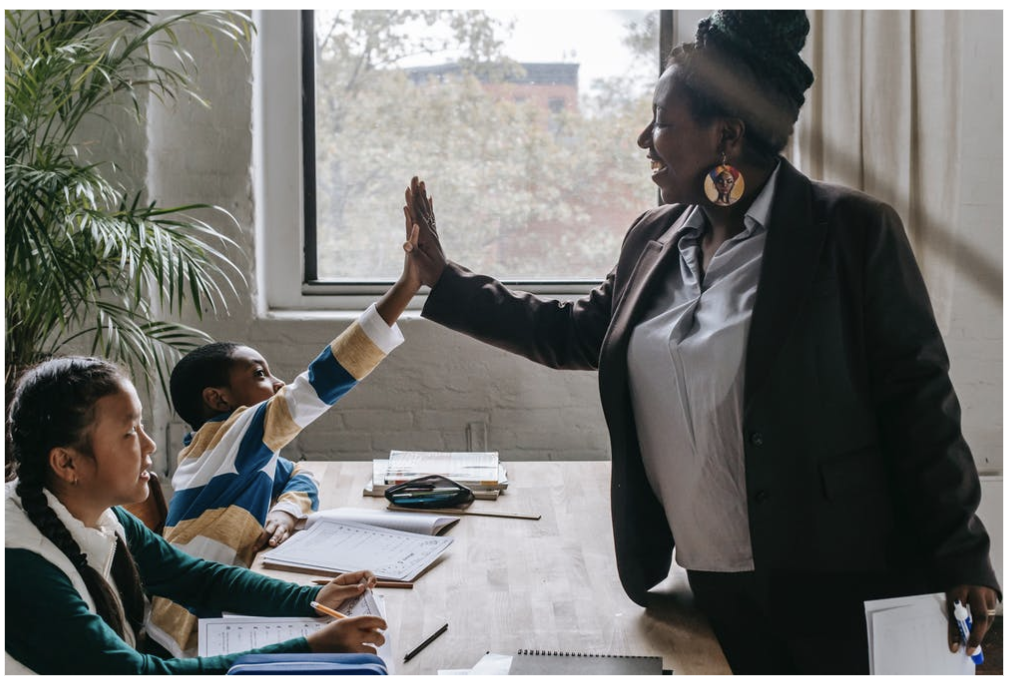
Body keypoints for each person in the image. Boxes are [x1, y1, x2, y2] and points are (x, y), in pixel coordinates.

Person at [401, 10, 1000, 675]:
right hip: (706, 587)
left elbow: (919, 406)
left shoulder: (851, 234)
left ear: (728, 136)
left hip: (835, 588)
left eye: (661, 122)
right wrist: (443, 281)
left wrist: (964, 558)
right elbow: (574, 332)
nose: (642, 139)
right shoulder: (653, 239)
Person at [4, 357, 386, 674]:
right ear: (66, 462)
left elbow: (197, 580)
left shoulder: (98, 513)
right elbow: (137, 676)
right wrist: (305, 649)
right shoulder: (22, 566)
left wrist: (313, 597)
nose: (150, 445)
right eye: (128, 433)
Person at [151, 226, 423, 655]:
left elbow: (298, 473)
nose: (276, 383)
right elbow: (319, 383)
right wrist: (406, 288)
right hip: (188, 631)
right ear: (217, 398)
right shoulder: (228, 436)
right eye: (259, 375)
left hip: (218, 606)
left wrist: (285, 510)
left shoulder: (225, 449)